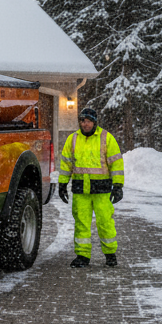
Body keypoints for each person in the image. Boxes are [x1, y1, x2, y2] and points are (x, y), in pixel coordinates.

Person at [57, 108, 124, 268]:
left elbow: (116, 163)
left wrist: (118, 185)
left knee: (105, 223)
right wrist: (62, 184)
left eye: (88, 121)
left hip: (102, 190)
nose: (85, 124)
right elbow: (66, 164)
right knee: (81, 223)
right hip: (81, 190)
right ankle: (83, 256)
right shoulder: (72, 139)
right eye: (82, 121)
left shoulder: (106, 138)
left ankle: (110, 255)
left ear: (94, 122)